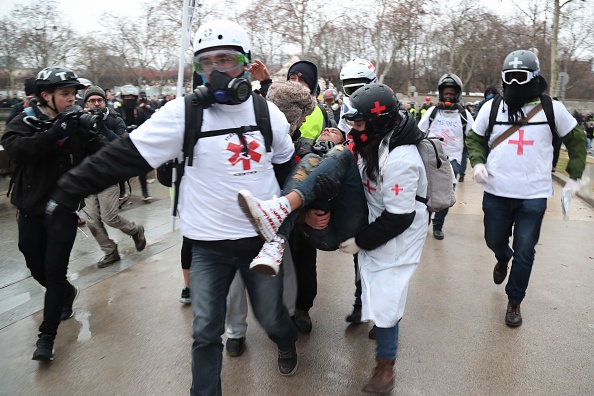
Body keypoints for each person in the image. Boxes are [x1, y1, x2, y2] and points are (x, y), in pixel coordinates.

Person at [48, 19, 298, 394]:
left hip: (260, 243)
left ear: (246, 63)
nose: (215, 71)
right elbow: (124, 157)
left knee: (272, 316)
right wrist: (67, 191)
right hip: (208, 247)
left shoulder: (268, 115)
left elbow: (287, 166)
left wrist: (290, 215)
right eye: (205, 63)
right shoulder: (183, 114)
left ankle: (286, 341)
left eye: (225, 59)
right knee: (204, 332)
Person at [240, 83, 428, 393]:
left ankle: (385, 366)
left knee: (388, 297)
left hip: (393, 236)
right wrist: (323, 199)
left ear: (378, 122)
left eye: (359, 122)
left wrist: (361, 242)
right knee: (326, 155)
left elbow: (399, 217)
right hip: (360, 218)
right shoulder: (373, 140)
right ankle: (277, 234)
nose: (352, 128)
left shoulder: (402, 160)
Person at [466, 49, 587, 327]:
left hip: (533, 196)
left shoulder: (551, 109)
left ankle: (515, 301)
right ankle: (501, 256)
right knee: (494, 240)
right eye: (511, 77)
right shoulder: (491, 107)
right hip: (496, 192)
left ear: (534, 78)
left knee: (525, 251)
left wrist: (575, 176)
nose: (516, 84)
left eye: (522, 77)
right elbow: (474, 138)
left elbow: (577, 141)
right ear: (504, 79)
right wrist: (478, 163)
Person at [1, 67, 108, 361]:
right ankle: (64, 292)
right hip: (30, 209)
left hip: (64, 210)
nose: (72, 99)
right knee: (35, 265)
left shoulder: (76, 122)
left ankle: (46, 337)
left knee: (54, 270)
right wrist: (54, 134)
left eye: (74, 94)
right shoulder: (26, 121)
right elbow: (17, 152)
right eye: (65, 94)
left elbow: (106, 152)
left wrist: (96, 132)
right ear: (45, 96)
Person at [81, 86, 147, 268]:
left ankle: (135, 230)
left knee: (109, 217)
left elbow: (122, 143)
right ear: (85, 103)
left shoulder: (114, 119)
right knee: (92, 221)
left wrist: (101, 126)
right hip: (86, 176)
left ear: (104, 101)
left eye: (99, 100)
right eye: (92, 101)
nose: (96, 104)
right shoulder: (81, 120)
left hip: (108, 175)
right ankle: (110, 251)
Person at [418, 73, 474, 240]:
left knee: (446, 194)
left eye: (451, 93)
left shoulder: (464, 115)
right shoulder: (432, 112)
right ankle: (424, 222)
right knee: (425, 192)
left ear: (457, 94)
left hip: (454, 160)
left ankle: (438, 224)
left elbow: (473, 137)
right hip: (430, 159)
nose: (448, 96)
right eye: (445, 93)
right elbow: (419, 131)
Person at [116, 84, 152, 201]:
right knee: (120, 169)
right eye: (127, 97)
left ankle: (145, 193)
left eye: (132, 97)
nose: (130, 100)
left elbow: (146, 127)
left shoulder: (139, 112)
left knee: (142, 169)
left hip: (137, 144)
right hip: (122, 144)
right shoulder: (118, 112)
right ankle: (122, 192)